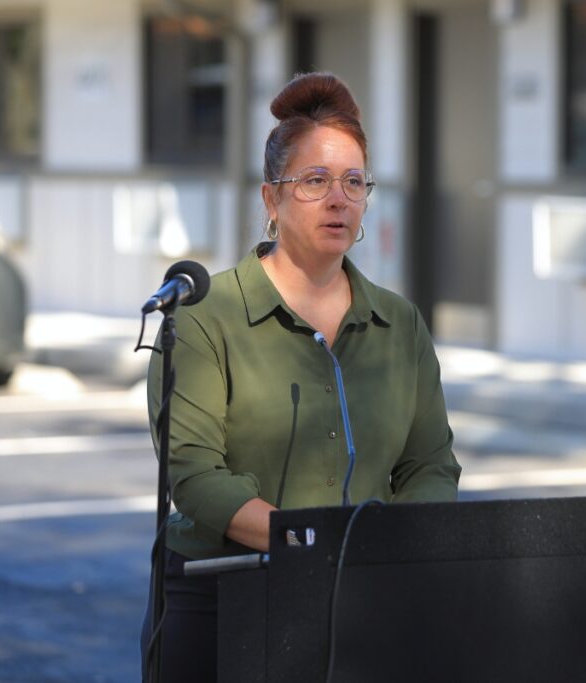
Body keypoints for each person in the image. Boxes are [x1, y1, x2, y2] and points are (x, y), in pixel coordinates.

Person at [140, 72, 461, 681]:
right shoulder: (206, 315)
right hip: (225, 597)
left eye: (353, 182)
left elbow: (430, 466)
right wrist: (312, 548)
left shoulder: (400, 323)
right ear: (270, 199)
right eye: (315, 181)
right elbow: (196, 475)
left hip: (365, 599)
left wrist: (394, 549)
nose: (339, 198)